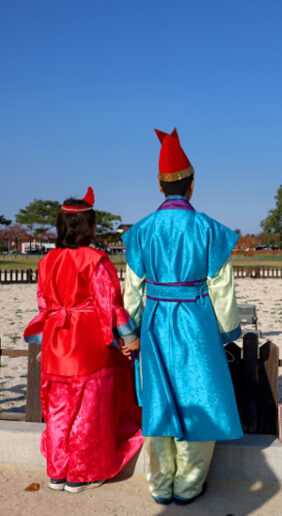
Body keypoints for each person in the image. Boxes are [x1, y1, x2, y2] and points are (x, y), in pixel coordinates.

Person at [121, 128, 243, 505]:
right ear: (192, 187)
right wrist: (227, 330)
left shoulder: (140, 231)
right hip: (195, 319)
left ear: (159, 187)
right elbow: (221, 287)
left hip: (156, 320)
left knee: (158, 399)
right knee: (199, 395)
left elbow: (132, 289)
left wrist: (130, 331)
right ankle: (189, 486)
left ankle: (160, 485)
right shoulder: (209, 229)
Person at [24, 187, 143, 494]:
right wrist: (130, 338)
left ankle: (57, 472)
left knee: (60, 409)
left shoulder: (47, 260)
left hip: (56, 340)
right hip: (88, 340)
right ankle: (83, 474)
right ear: (88, 226)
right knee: (90, 409)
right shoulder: (96, 259)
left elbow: (43, 304)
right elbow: (111, 305)